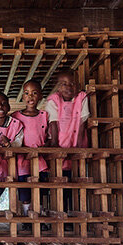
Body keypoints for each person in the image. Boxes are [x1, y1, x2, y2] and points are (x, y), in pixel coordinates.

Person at [45, 70, 90, 218]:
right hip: (60, 144)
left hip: (77, 142)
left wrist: (77, 147)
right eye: (64, 84)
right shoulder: (53, 100)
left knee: (75, 181)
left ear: (77, 86)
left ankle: (72, 213)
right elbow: (53, 124)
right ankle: (61, 212)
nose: (68, 87)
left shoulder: (81, 98)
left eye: (72, 84)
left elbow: (82, 122)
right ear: (58, 87)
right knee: (60, 180)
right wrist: (55, 146)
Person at [12, 79, 49, 224]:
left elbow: (49, 137)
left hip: (40, 160)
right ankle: (27, 218)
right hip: (22, 161)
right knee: (25, 191)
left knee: (39, 190)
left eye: (34, 93)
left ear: (40, 96)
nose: (30, 97)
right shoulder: (15, 116)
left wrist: (44, 148)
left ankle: (38, 219)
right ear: (22, 97)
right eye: (26, 93)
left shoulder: (44, 116)